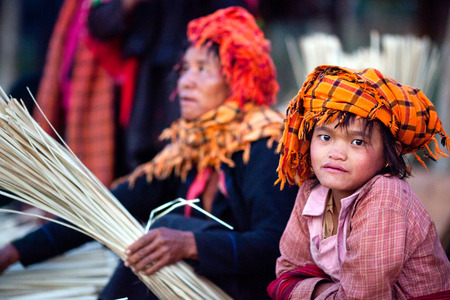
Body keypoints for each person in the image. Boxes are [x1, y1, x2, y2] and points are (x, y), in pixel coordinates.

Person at [0, 7, 297, 300]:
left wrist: (191, 243)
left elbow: (276, 246)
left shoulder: (266, 146)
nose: (185, 82)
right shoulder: (187, 151)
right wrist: (13, 252)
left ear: (238, 79)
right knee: (153, 241)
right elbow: (104, 210)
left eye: (203, 69)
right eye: (184, 69)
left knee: (169, 228)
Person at [267, 65, 450, 299]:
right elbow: (287, 274)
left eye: (357, 142)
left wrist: (310, 292)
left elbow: (361, 296)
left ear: (388, 153)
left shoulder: (385, 194)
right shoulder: (311, 192)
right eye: (325, 137)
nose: (336, 153)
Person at [87, 0, 247, 176]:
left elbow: (238, 22)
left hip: (206, 72)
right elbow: (98, 22)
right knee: (147, 163)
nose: (186, 82)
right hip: (146, 84)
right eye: (185, 71)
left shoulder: (250, 146)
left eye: (198, 70)